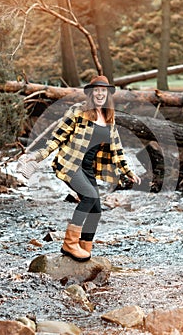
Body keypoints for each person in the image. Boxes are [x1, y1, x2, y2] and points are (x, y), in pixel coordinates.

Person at [26, 75, 141, 262]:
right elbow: (58, 137)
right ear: (91, 93)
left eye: (103, 91)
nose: (100, 94)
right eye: (97, 90)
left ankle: (84, 247)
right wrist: (39, 156)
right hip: (72, 164)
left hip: (88, 169)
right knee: (90, 196)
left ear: (108, 94)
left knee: (96, 210)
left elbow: (117, 149)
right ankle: (70, 244)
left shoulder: (109, 119)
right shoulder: (78, 111)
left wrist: (128, 171)